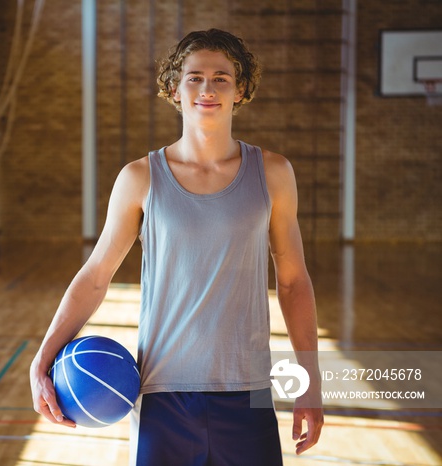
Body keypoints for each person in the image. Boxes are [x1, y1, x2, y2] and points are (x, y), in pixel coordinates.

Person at [30, 28, 323, 465]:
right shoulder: (139, 178)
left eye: (222, 77)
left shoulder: (274, 173)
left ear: (241, 89)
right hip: (162, 393)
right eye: (195, 77)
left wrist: (310, 384)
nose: (208, 88)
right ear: (174, 87)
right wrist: (43, 358)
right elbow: (95, 276)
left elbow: (294, 282)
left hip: (248, 390)